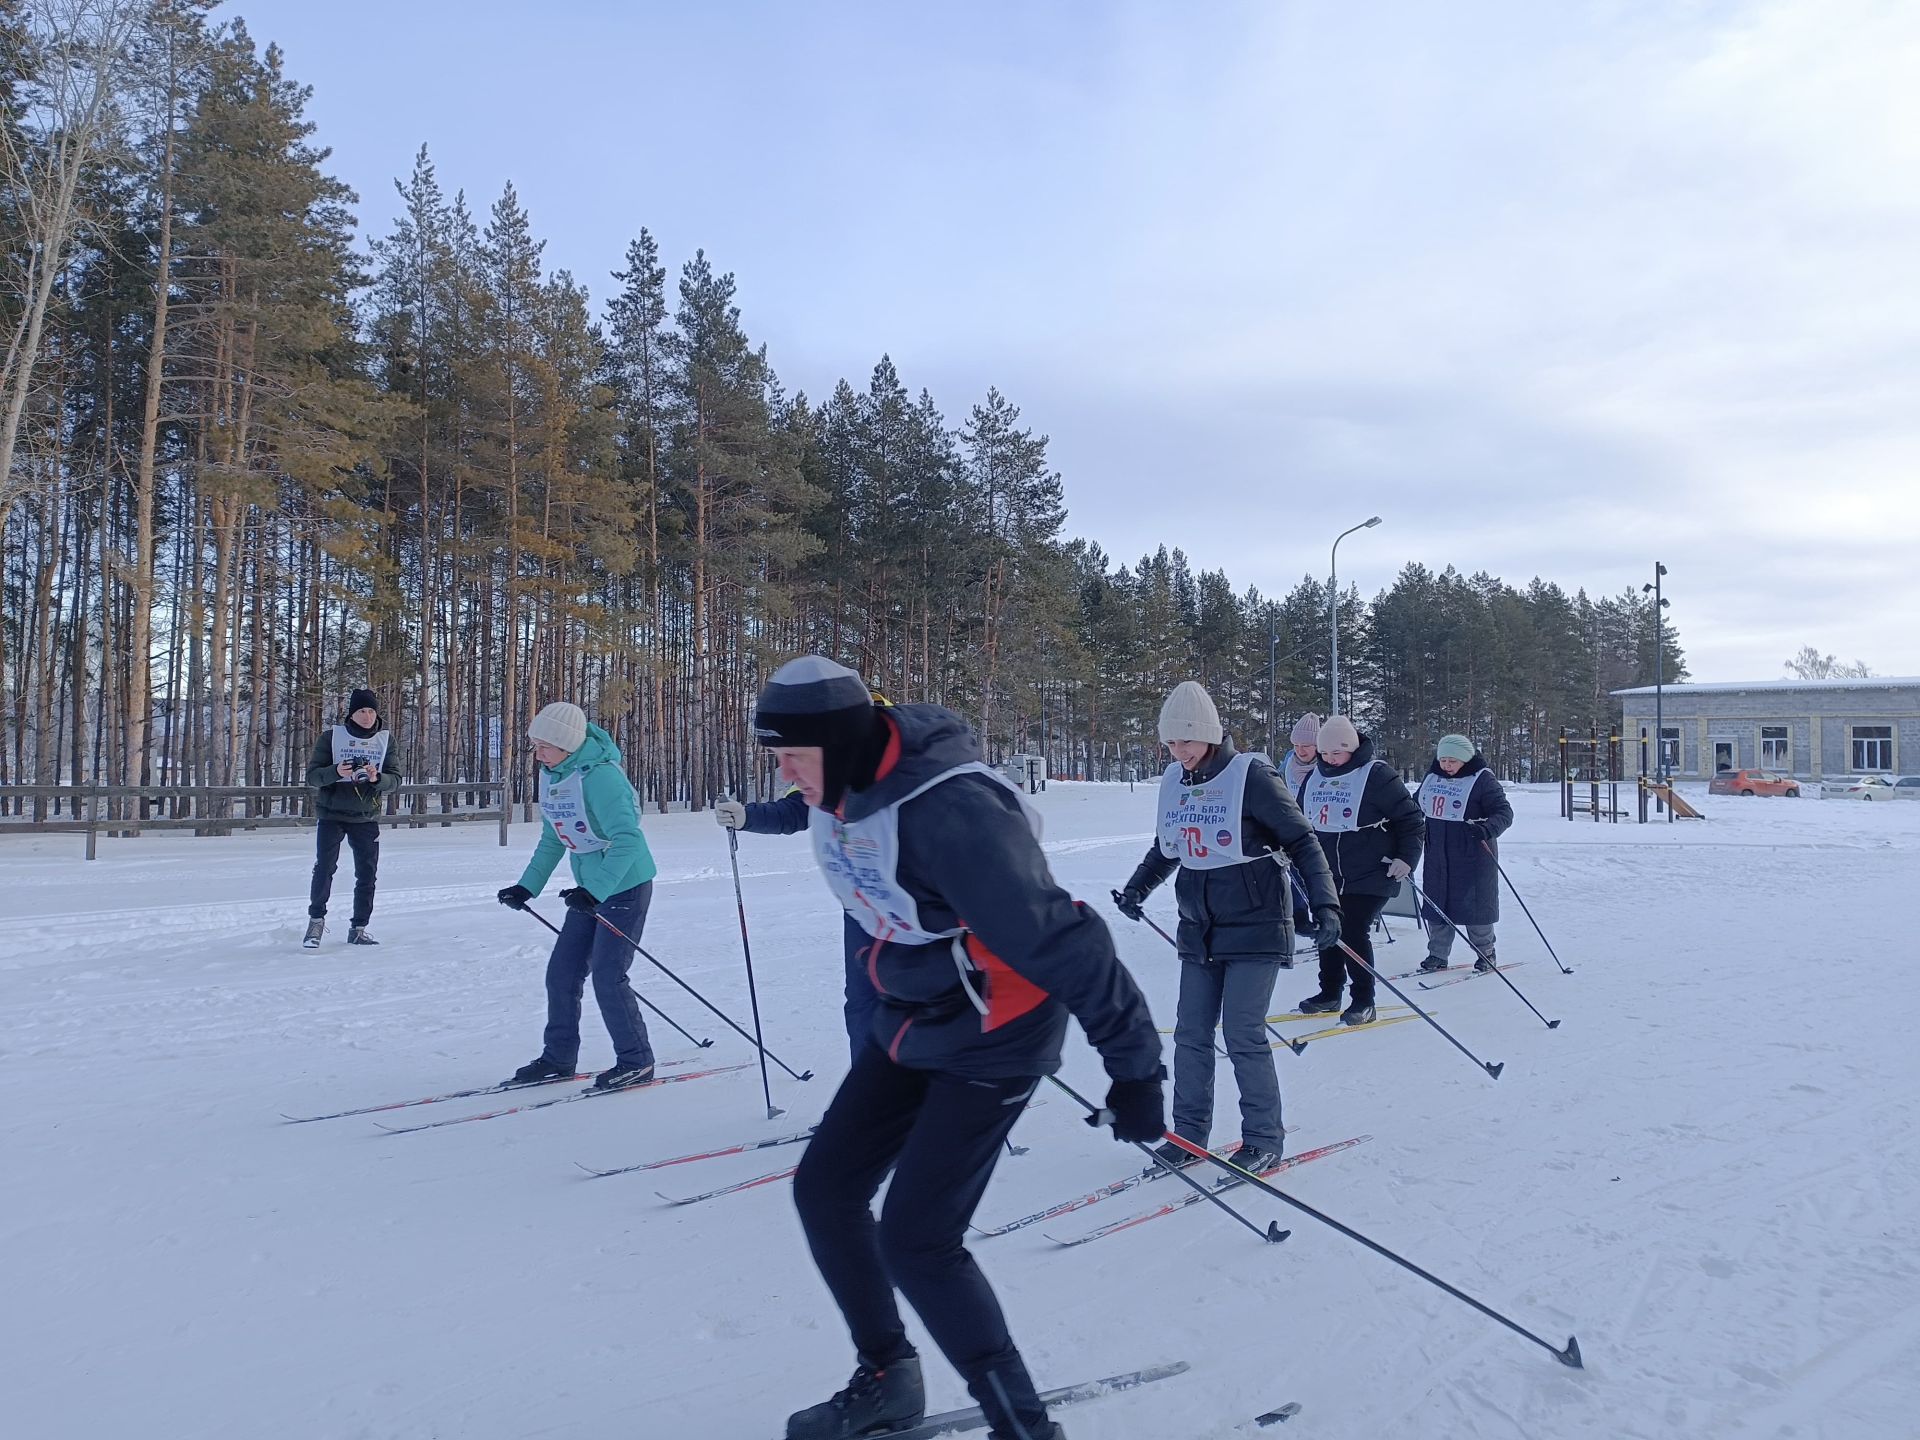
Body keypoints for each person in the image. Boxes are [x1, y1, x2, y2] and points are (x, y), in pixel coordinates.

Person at [753, 655, 1164, 1440]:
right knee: (826, 1189)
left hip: (999, 1027)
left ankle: (1026, 1428)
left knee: (917, 1239)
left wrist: (1135, 1071)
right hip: (911, 1014)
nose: (784, 774)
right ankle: (889, 1379)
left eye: (791, 758)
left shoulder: (953, 814)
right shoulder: (843, 788)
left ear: (838, 746)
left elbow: (1072, 943)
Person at [1112, 682, 1339, 1177]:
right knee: (1191, 1034)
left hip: (1257, 924)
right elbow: (1168, 845)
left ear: (1210, 735)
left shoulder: (1251, 776)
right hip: (1200, 927)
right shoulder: (1177, 779)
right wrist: (1137, 890)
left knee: (1241, 1032)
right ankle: (1189, 1135)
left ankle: (1263, 1138)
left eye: (1186, 742)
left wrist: (1325, 906)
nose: (1179, 753)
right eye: (1171, 744)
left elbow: (1302, 840)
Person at [715, 693, 894, 1060]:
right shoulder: (827, 763)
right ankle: (869, 1103)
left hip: (914, 908)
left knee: (915, 1000)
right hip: (860, 907)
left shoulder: (902, 769)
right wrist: (746, 816)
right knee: (862, 1003)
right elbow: (796, 809)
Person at [494, 702, 660, 1091]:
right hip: (588, 889)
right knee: (562, 974)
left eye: (543, 746)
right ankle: (558, 1058)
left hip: (625, 886)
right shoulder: (555, 776)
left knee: (608, 975)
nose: (537, 754)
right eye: (533, 745)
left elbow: (628, 840)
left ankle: (637, 1061)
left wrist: (595, 890)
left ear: (567, 744)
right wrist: (526, 886)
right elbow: (554, 837)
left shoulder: (602, 778)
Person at [1293, 715, 1424, 1026]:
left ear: (1351, 748)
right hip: (1327, 872)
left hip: (1372, 871)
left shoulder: (1377, 775)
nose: (1329, 760)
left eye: (1335, 754)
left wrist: (1406, 858)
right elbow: (1297, 819)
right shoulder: (1315, 777)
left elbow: (1411, 821)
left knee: (1352, 930)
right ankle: (1329, 993)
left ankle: (1364, 1000)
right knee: (1328, 928)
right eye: (1324, 754)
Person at [303, 687, 401, 948]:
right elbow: (312, 777)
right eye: (361, 711)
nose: (367, 716)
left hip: (366, 816)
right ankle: (315, 924)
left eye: (371, 710)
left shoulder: (385, 741)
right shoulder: (331, 738)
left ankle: (359, 927)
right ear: (352, 714)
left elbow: (395, 780)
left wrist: (377, 778)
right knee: (324, 868)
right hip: (331, 814)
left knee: (367, 873)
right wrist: (335, 771)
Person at [1416, 733, 1514, 974]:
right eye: (1443, 760)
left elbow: (1504, 812)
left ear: (1464, 759)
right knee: (1437, 906)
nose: (1446, 766)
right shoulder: (1433, 777)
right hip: (1437, 854)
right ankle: (1437, 954)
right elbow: (1416, 804)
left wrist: (1486, 829)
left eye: (1452, 761)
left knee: (1475, 907)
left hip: (1474, 854)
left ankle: (1485, 953)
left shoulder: (1482, 779)